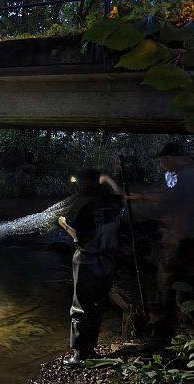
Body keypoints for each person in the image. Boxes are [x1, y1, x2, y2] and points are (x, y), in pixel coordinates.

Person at [127, 142, 194, 335]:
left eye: (164, 160)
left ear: (171, 158)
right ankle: (173, 325)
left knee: (169, 278)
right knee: (176, 281)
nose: (162, 164)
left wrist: (140, 198)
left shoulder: (187, 177)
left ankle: (167, 329)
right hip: (184, 239)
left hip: (184, 242)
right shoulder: (184, 175)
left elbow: (171, 200)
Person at [58, 169, 123, 366]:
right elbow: (119, 194)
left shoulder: (83, 205)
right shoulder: (114, 203)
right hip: (108, 261)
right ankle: (91, 348)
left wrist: (63, 224)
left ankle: (79, 356)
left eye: (79, 182)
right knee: (97, 304)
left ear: (84, 184)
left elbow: (78, 237)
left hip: (87, 260)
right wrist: (107, 179)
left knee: (80, 306)